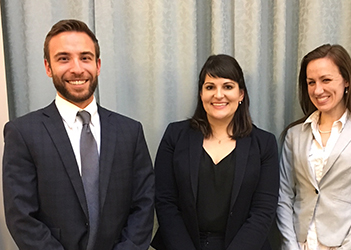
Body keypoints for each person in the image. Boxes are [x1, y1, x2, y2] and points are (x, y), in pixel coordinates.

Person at [2, 19, 154, 250]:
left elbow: (144, 204)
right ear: (48, 67)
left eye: (85, 57)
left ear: (98, 65)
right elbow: (22, 216)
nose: (77, 68)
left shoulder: (130, 131)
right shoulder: (23, 133)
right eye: (64, 58)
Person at [150, 54, 280, 250]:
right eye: (210, 87)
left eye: (227, 86)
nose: (218, 95)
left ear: (241, 94)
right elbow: (165, 201)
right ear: (201, 94)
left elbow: (263, 210)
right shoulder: (175, 136)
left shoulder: (265, 144)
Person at [277, 44, 351, 250]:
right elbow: (284, 196)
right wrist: (291, 245)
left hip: (345, 245)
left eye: (326, 80)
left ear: (346, 80)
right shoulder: (295, 134)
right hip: (301, 244)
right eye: (311, 82)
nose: (318, 90)